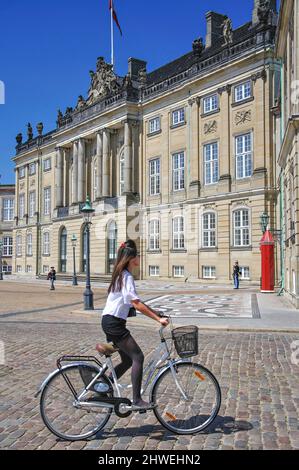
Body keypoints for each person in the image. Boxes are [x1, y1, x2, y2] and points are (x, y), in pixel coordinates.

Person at [101, 240, 169, 411]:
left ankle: (104, 385)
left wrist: (156, 312)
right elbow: (137, 304)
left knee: (127, 360)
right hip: (114, 323)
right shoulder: (127, 276)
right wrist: (157, 319)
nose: (139, 257)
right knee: (138, 357)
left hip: (109, 321)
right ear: (131, 258)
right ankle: (137, 400)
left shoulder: (120, 274)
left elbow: (135, 303)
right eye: (137, 255)